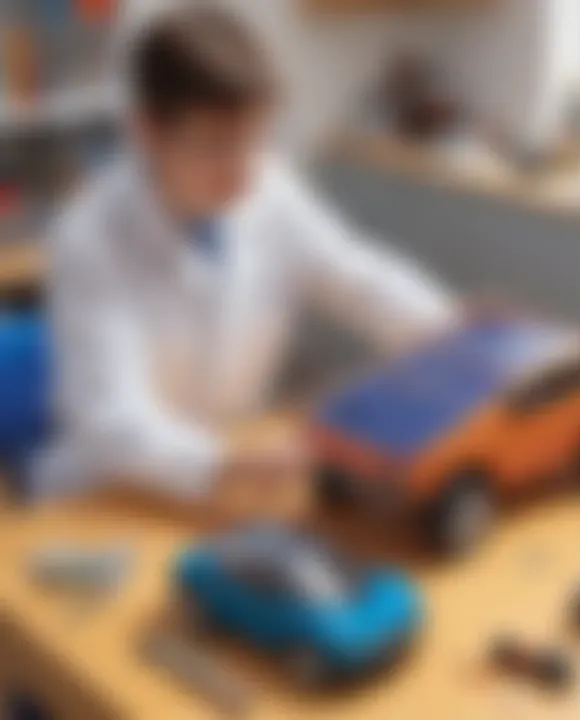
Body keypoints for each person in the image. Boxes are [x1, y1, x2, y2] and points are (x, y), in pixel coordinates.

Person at [37, 2, 456, 502]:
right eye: (216, 144)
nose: (243, 171)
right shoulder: (89, 238)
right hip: (107, 495)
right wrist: (219, 462)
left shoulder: (268, 190)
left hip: (229, 476)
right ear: (147, 131)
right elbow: (108, 418)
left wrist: (465, 341)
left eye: (254, 140)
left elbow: (359, 278)